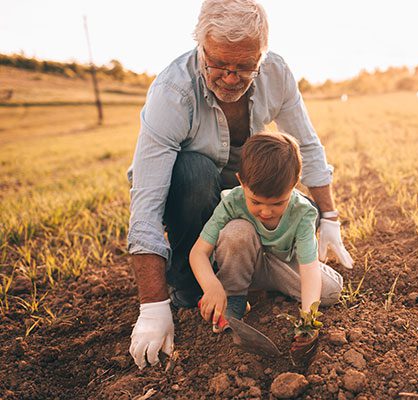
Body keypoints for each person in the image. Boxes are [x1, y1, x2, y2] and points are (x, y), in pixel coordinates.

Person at [128, 0, 353, 370]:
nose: (231, 77)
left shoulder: (276, 73)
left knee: (283, 210)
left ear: (261, 56)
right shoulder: (172, 92)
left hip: (248, 189)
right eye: (219, 63)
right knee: (194, 171)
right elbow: (146, 203)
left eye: (245, 66)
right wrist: (152, 307)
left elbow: (307, 145)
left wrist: (328, 215)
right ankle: (190, 284)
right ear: (201, 47)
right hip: (195, 193)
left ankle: (249, 265)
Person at [190, 132, 342, 362]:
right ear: (242, 181)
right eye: (256, 201)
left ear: (294, 185)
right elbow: (198, 252)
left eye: (278, 203)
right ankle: (235, 297)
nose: (266, 211)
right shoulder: (232, 201)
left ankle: (270, 289)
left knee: (329, 292)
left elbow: (308, 269)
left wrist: (308, 320)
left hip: (281, 265)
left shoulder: (303, 213)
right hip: (245, 263)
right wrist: (211, 286)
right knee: (236, 232)